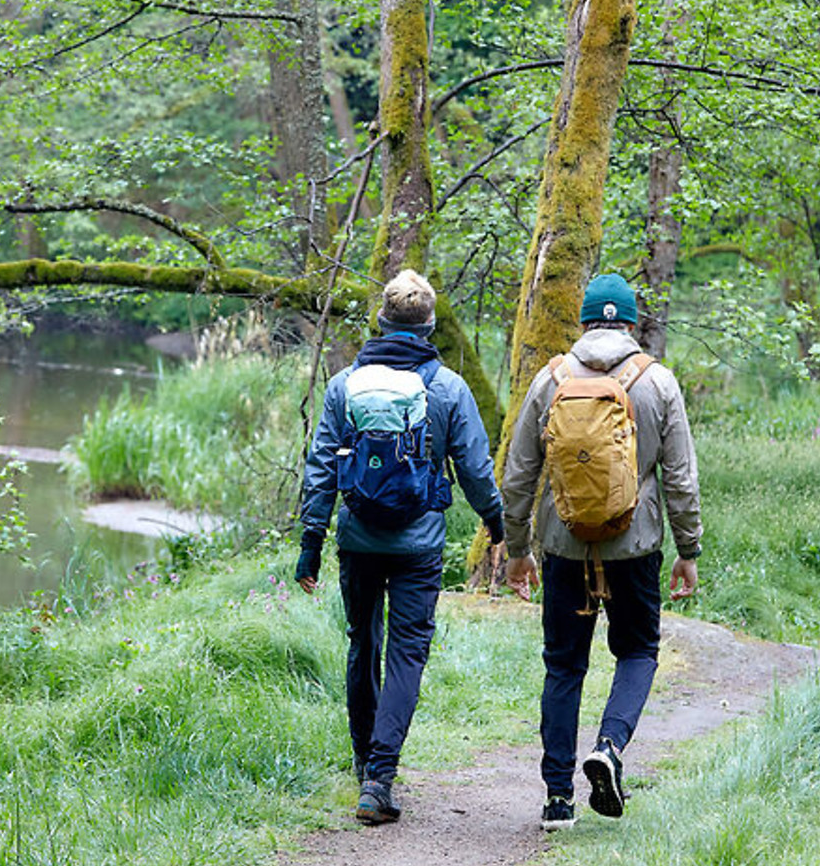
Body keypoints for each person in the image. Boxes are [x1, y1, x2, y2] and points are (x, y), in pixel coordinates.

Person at [296, 269, 504, 825]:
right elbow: (477, 470)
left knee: (362, 643)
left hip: (358, 540)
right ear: (430, 325)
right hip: (419, 546)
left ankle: (365, 764)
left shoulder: (344, 386)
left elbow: (321, 470)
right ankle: (380, 778)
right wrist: (498, 525)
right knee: (407, 652)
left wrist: (311, 544)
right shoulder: (448, 388)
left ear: (381, 322)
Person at [501, 273, 702, 830]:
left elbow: (519, 475)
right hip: (635, 547)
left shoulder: (550, 379)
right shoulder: (657, 381)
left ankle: (557, 800)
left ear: (585, 321)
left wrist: (518, 548)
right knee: (638, 651)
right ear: (632, 322)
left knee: (563, 666)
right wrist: (689, 548)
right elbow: (681, 478)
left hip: (564, 545)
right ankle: (609, 748)